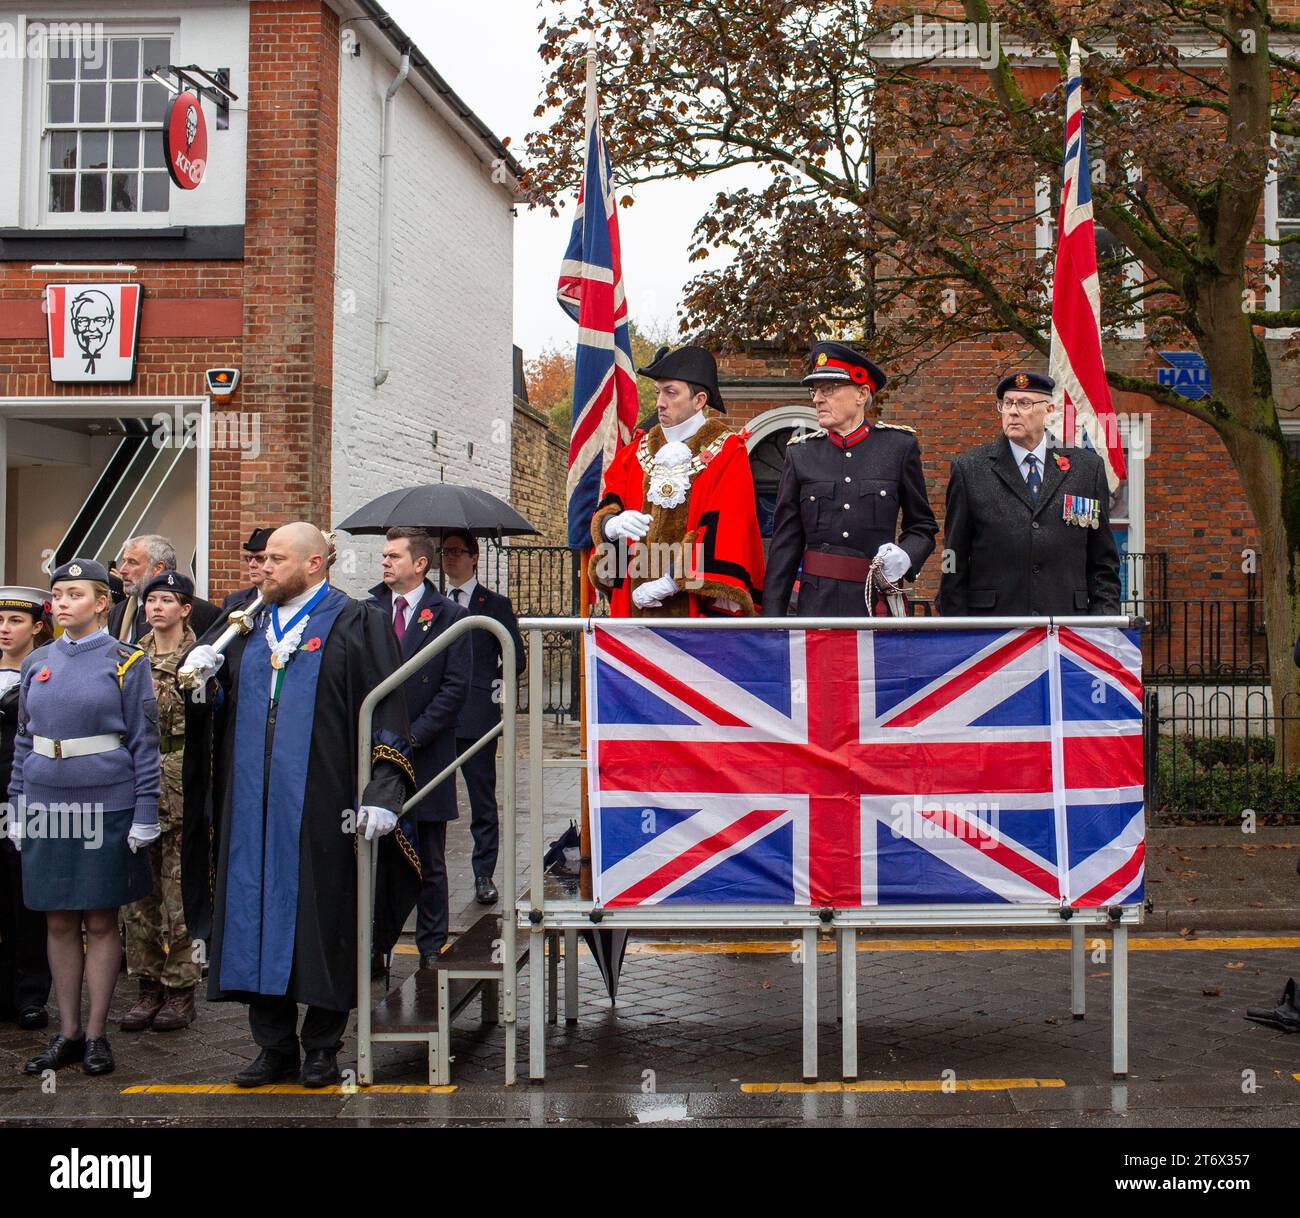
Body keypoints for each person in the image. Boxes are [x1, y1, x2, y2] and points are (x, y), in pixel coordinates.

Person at [181, 523, 418, 1089]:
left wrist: (384, 790)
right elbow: (213, 704)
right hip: (249, 806)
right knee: (250, 918)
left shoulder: (357, 621)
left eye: (276, 559)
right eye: (262, 559)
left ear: (315, 564)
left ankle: (321, 1046)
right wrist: (204, 690)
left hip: (321, 804)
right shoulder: (241, 623)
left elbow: (388, 704)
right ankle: (273, 1045)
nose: (263, 568)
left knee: (324, 919)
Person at [6, 559, 161, 1078]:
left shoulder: (126, 660)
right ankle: (67, 1031)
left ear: (101, 602)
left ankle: (96, 1034)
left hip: (106, 803)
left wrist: (144, 812)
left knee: (99, 918)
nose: (63, 602)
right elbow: (25, 739)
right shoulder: (38, 661)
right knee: (56, 917)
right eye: (58, 594)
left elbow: (144, 744)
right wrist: (16, 804)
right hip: (47, 802)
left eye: (75, 593)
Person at [589, 344, 766, 617]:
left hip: (694, 609)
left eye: (671, 393)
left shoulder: (728, 451)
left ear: (699, 400)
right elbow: (611, 500)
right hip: (633, 602)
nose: (660, 402)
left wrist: (672, 581)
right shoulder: (634, 452)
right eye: (658, 392)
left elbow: (728, 527)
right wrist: (611, 525)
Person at [764, 341, 938, 617]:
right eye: (815, 390)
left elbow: (922, 526)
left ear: (861, 393)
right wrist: (771, 622)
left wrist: (906, 556)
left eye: (829, 390)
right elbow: (785, 544)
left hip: (875, 602)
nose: (817, 399)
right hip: (817, 606)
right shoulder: (801, 454)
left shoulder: (898, 447)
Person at [936, 370, 1121, 616]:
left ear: (1049, 409)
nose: (1012, 411)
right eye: (1007, 404)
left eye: (1024, 403)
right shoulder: (970, 469)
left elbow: (1103, 560)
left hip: (1066, 623)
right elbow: (952, 556)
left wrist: (1103, 623)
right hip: (994, 626)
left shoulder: (1086, 469)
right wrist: (957, 627)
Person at [370, 528, 471, 961]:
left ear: (420, 564)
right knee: (375, 859)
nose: (385, 563)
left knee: (430, 859)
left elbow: (454, 687)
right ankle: (375, 948)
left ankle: (431, 948)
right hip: (376, 755)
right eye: (384, 556)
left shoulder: (447, 615)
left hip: (426, 755)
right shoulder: (368, 610)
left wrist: (413, 736)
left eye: (394, 556)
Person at [120, 572, 200, 1033]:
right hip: (137, 781)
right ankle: (146, 984)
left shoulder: (201, 657)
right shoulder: (130, 658)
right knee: (138, 894)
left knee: (179, 893)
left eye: (166, 600)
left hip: (181, 781)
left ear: (185, 608)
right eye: (150, 601)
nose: (155, 608)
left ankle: (179, 988)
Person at [440, 531, 523, 906]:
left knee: (482, 800)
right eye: (445, 552)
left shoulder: (495, 604)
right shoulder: (433, 603)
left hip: (477, 716)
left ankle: (483, 874)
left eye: (457, 552)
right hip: (436, 717)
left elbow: (516, 661)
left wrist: (490, 689)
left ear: (474, 557)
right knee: (431, 800)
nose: (450, 558)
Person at [0, 587, 53, 1031]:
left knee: (27, 897)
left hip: (28, 800)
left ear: (37, 626)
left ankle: (31, 994)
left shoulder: (45, 672)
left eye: (15, 620)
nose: (4, 628)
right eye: (0, 620)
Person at [109, 534, 221, 643]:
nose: (122, 570)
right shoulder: (116, 613)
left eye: (132, 562)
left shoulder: (204, 614)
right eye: (124, 561)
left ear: (158, 568)